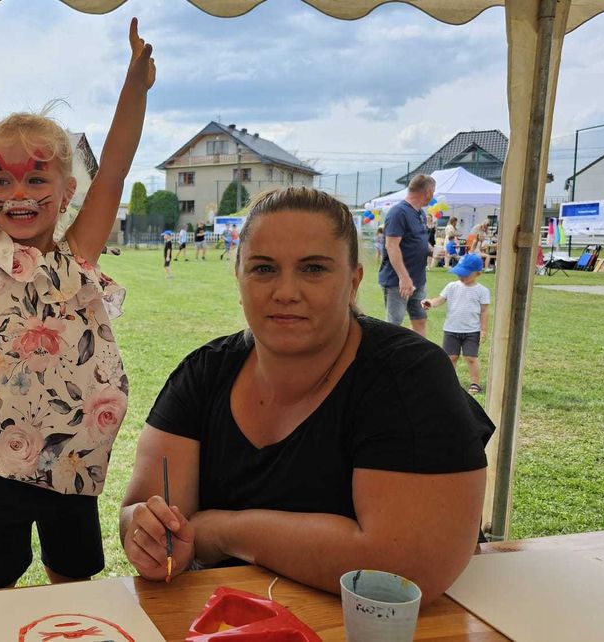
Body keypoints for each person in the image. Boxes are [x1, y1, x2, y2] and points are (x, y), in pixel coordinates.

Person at [119, 186, 493, 606]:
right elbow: (142, 509)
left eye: (313, 268)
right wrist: (145, 530)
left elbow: (403, 569)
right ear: (238, 277)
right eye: (263, 269)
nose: (285, 291)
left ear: (353, 281)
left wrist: (221, 531)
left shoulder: (406, 375)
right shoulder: (204, 372)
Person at [0, 18, 153, 590]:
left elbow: (114, 169)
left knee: (74, 580)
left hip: (73, 458)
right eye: (1, 182)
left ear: (68, 191)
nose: (18, 196)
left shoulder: (78, 255)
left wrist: (134, 89)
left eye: (37, 180)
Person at [422, 254, 491, 395]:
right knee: (450, 358)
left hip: (472, 331)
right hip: (451, 329)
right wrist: (431, 303)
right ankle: (450, 382)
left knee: (471, 358)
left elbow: (484, 311)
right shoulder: (451, 286)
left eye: (465, 274)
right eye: (459, 273)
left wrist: (483, 329)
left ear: (478, 273)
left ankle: (475, 383)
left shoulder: (482, 291)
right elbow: (440, 299)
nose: (461, 276)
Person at [378, 174, 433, 336]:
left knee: (420, 319)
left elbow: (420, 240)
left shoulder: (420, 214)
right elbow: (391, 245)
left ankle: (419, 357)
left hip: (418, 279)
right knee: (395, 325)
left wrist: (432, 250)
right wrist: (403, 277)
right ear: (428, 191)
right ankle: (389, 359)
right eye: (433, 192)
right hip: (398, 281)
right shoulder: (398, 213)